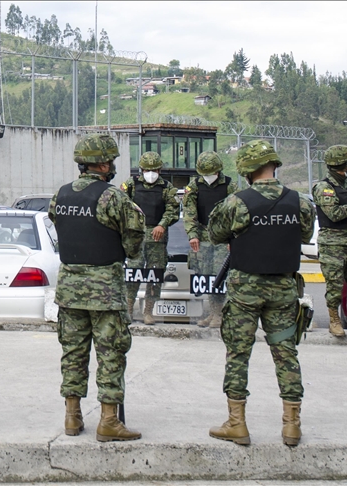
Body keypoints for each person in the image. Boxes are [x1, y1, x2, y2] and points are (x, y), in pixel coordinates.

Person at [207, 139, 314, 447]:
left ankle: (237, 424)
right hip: (283, 289)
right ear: (274, 165)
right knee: (286, 354)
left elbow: (215, 234)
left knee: (238, 354)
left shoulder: (237, 202)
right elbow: (305, 233)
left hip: (245, 291)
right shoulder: (299, 202)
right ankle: (291, 426)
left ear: (247, 170)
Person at [51, 133, 145, 442]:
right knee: (110, 354)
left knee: (73, 354)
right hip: (105, 291)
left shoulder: (61, 195)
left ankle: (72, 416)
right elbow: (133, 245)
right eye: (112, 161)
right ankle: (108, 421)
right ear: (103, 165)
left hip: (69, 290)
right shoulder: (113, 197)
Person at [121, 152, 179, 324]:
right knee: (133, 274)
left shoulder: (167, 187)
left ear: (160, 170)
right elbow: (122, 206)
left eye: (154, 170)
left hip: (157, 239)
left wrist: (162, 224)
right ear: (141, 169)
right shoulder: (131, 185)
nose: (151, 173)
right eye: (147, 170)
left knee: (155, 275)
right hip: (136, 238)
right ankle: (128, 310)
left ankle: (148, 312)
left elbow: (173, 209)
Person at [183, 151, 239, 328]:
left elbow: (236, 214)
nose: (208, 176)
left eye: (211, 173)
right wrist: (192, 235)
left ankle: (220, 315)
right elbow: (189, 212)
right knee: (206, 276)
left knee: (220, 275)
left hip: (222, 240)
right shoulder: (194, 186)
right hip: (203, 239)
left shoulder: (230, 186)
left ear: (218, 170)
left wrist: (232, 239)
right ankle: (213, 313)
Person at [311, 144, 347, 338]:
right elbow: (334, 214)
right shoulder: (324, 187)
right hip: (333, 244)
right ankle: (334, 320)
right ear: (343, 163)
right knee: (335, 285)